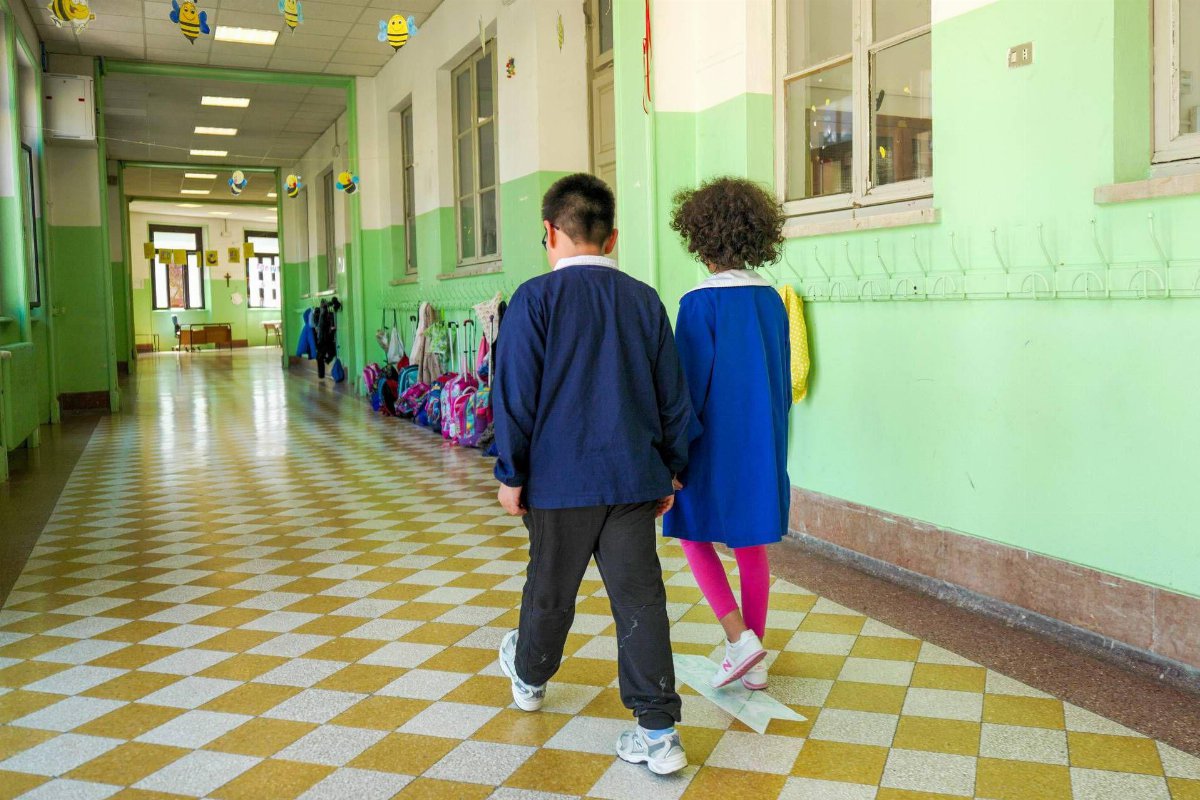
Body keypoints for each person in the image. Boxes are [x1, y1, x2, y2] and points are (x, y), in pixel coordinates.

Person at [492, 173, 693, 775]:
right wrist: (672, 470)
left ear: (549, 232)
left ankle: (529, 679)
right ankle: (658, 734)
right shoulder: (643, 299)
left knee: (550, 590)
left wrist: (511, 472)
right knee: (641, 600)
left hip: (557, 484)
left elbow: (515, 395)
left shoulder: (533, 299)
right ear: (611, 239)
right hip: (634, 479)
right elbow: (672, 396)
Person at [664, 176, 792, 691]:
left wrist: (672, 456)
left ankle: (739, 638)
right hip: (761, 440)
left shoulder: (698, 303)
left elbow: (685, 390)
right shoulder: (772, 300)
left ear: (700, 238)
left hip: (708, 443)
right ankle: (753, 661)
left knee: (690, 531)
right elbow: (781, 377)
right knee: (750, 543)